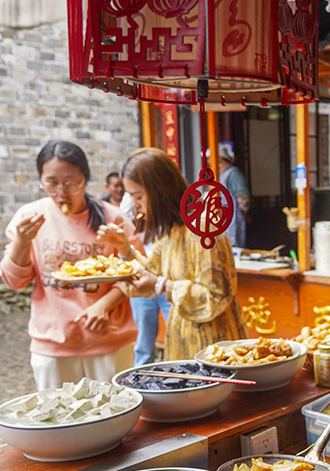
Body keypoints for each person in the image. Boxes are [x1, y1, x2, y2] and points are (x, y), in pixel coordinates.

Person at [0, 140, 140, 390]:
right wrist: (22, 242)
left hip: (108, 339)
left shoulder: (113, 218)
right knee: (59, 422)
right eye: (52, 182)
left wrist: (104, 305)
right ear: (41, 180)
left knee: (114, 419)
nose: (62, 191)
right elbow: (16, 282)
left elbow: (136, 273)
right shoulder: (29, 218)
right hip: (53, 342)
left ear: (85, 180)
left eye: (71, 181)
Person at [97, 147, 248, 360]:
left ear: (159, 190)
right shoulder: (170, 230)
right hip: (181, 336)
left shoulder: (202, 228)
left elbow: (216, 296)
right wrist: (124, 248)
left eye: (137, 196)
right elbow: (150, 272)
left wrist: (163, 286)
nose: (134, 204)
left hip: (213, 344)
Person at [118, 190, 171, 366]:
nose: (136, 203)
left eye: (139, 198)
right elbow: (123, 220)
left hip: (168, 280)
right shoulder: (130, 201)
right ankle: (141, 380)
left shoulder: (171, 209)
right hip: (142, 275)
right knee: (143, 340)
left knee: (175, 335)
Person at [217, 141, 249, 248]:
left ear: (220, 158)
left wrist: (244, 213)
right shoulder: (219, 173)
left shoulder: (233, 173)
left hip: (233, 215)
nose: (208, 161)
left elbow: (243, 196)